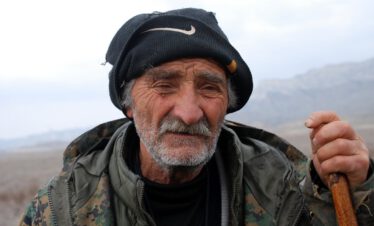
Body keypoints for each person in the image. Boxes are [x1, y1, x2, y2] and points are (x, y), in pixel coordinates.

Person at [19, 8, 373, 226]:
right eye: (164, 85)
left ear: (227, 105)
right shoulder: (64, 205)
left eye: (209, 88)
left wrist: (360, 188)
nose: (189, 113)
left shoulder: (280, 185)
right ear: (128, 104)